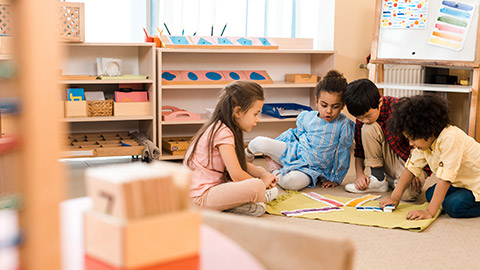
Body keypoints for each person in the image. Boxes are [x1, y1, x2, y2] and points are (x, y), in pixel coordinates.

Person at [245, 70, 354, 190]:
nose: (329, 111)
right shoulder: (307, 117)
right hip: (294, 152)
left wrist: (335, 178)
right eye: (324, 105)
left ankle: (274, 171)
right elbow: (293, 135)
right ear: (316, 101)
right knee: (258, 142)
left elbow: (343, 153)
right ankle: (243, 162)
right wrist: (275, 145)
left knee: (291, 182)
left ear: (343, 105)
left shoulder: (344, 125)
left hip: (312, 169)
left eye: (335, 107)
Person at [184, 81, 279, 217]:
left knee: (259, 175)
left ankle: (239, 204)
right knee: (256, 186)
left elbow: (238, 165)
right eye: (255, 114)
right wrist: (261, 183)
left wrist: (262, 174)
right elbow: (236, 174)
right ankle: (257, 197)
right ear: (238, 112)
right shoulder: (223, 132)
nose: (258, 119)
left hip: (209, 191)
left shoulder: (222, 127)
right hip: (200, 198)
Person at [380, 94, 480, 219]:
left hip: (477, 184)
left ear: (428, 130)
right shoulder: (425, 143)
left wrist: (429, 212)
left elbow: (445, 179)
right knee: (430, 194)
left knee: (453, 206)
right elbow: (411, 169)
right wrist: (394, 197)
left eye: (413, 139)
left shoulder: (451, 138)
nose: (411, 144)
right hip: (463, 183)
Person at [343, 79, 425, 201]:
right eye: (359, 118)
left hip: (410, 160)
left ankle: (394, 181)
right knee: (368, 128)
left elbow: (418, 145)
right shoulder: (364, 120)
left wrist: (415, 169)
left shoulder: (399, 109)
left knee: (408, 195)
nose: (364, 120)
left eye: (367, 116)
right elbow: (359, 149)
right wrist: (359, 175)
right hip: (388, 159)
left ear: (380, 102)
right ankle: (379, 179)